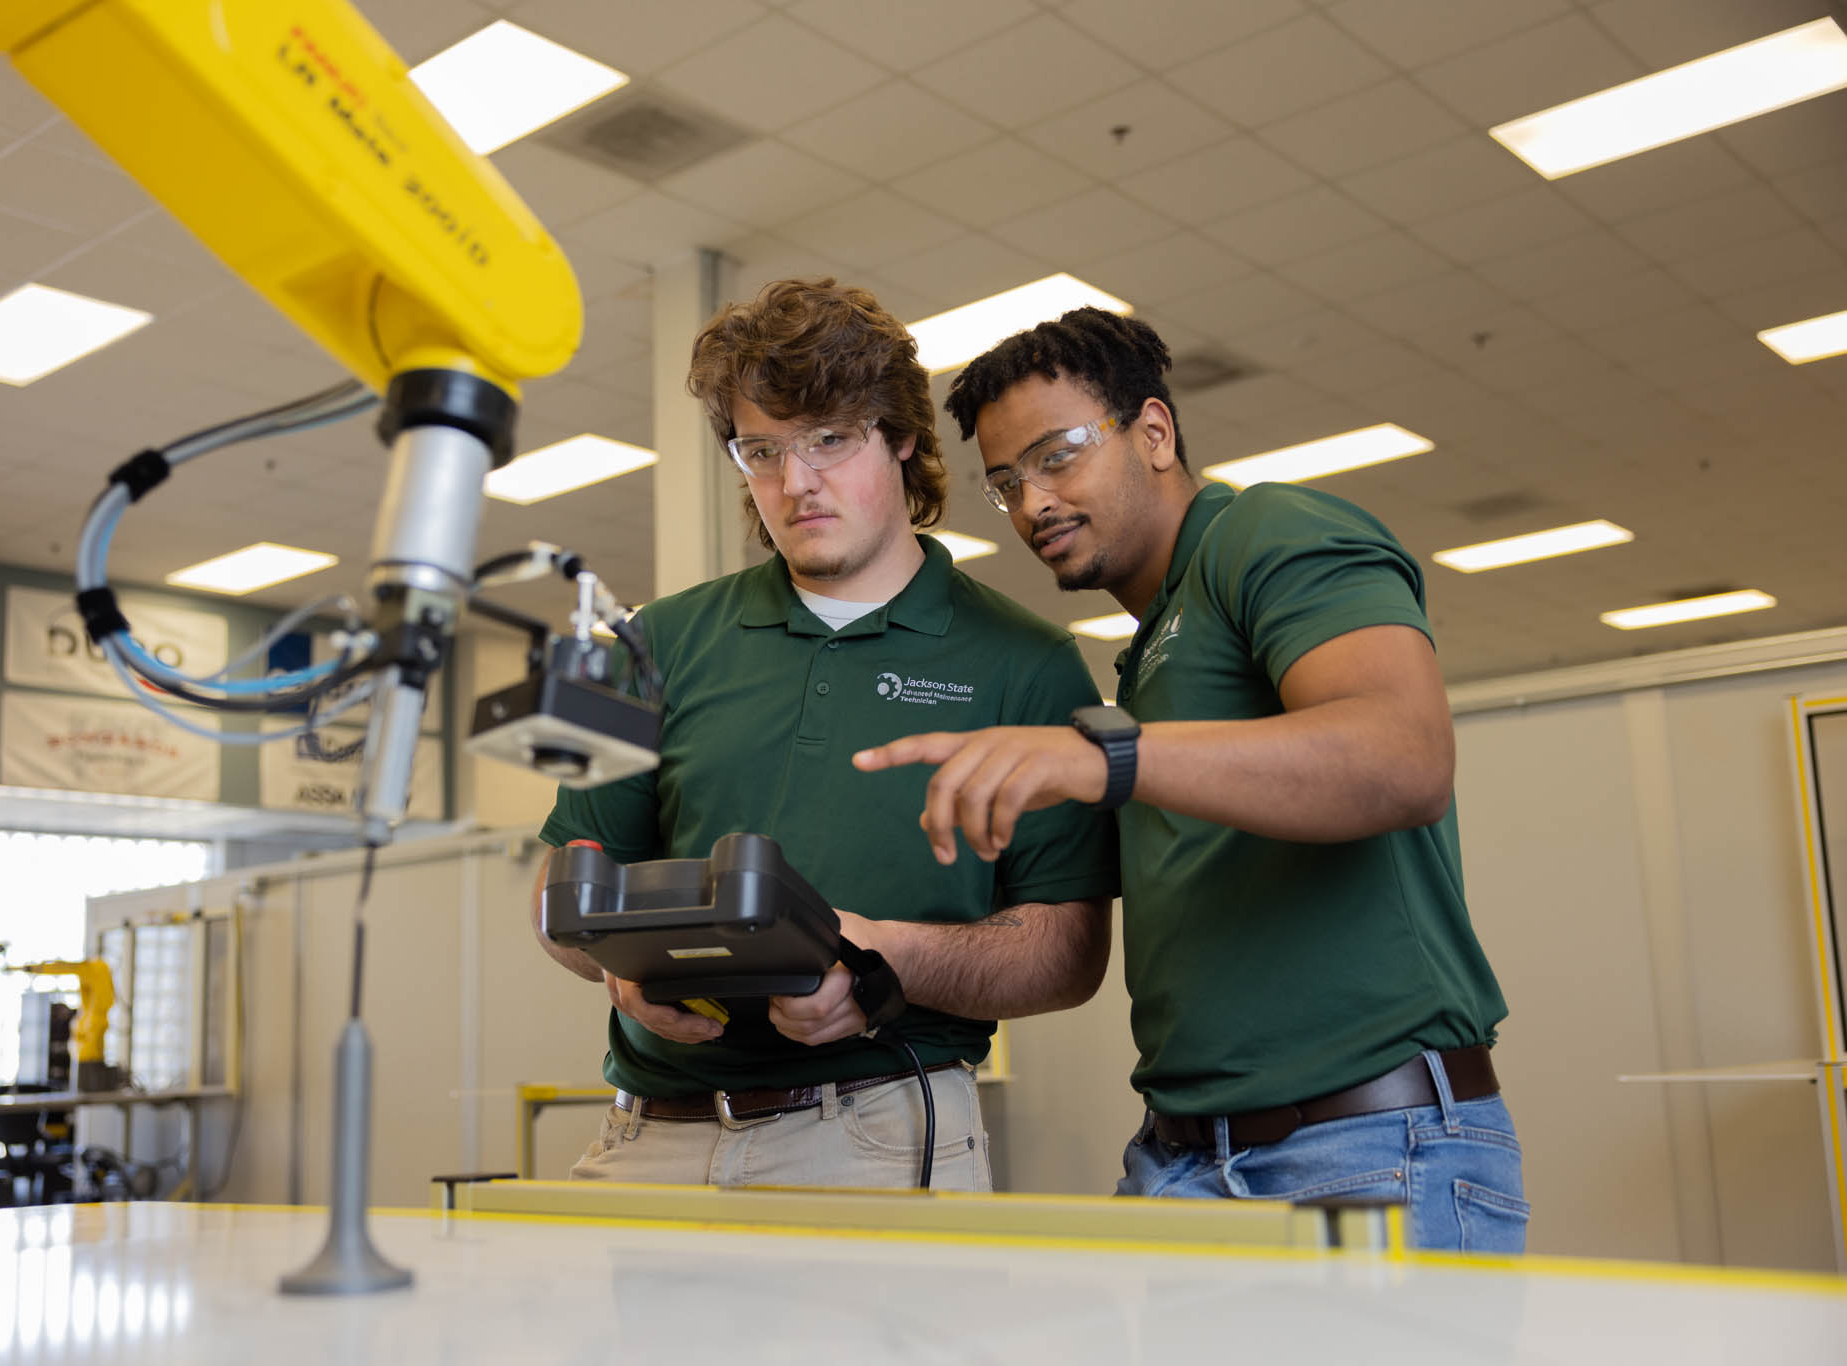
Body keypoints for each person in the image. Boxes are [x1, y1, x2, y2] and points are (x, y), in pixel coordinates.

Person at [854, 307, 1526, 1251]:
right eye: (1006, 483)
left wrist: (1106, 755)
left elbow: (1404, 755)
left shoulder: (1267, 530)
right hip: (1186, 1157)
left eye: (1057, 456)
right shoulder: (1153, 646)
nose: (1033, 503)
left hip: (1366, 1146)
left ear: (1155, 432)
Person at [531, 279, 1119, 1191]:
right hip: (651, 1135)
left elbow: (1067, 955)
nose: (794, 482)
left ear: (902, 436)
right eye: (761, 450)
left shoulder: (1028, 662)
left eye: (829, 441)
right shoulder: (649, 642)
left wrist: (880, 957)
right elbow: (563, 890)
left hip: (882, 1131)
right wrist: (618, 965)